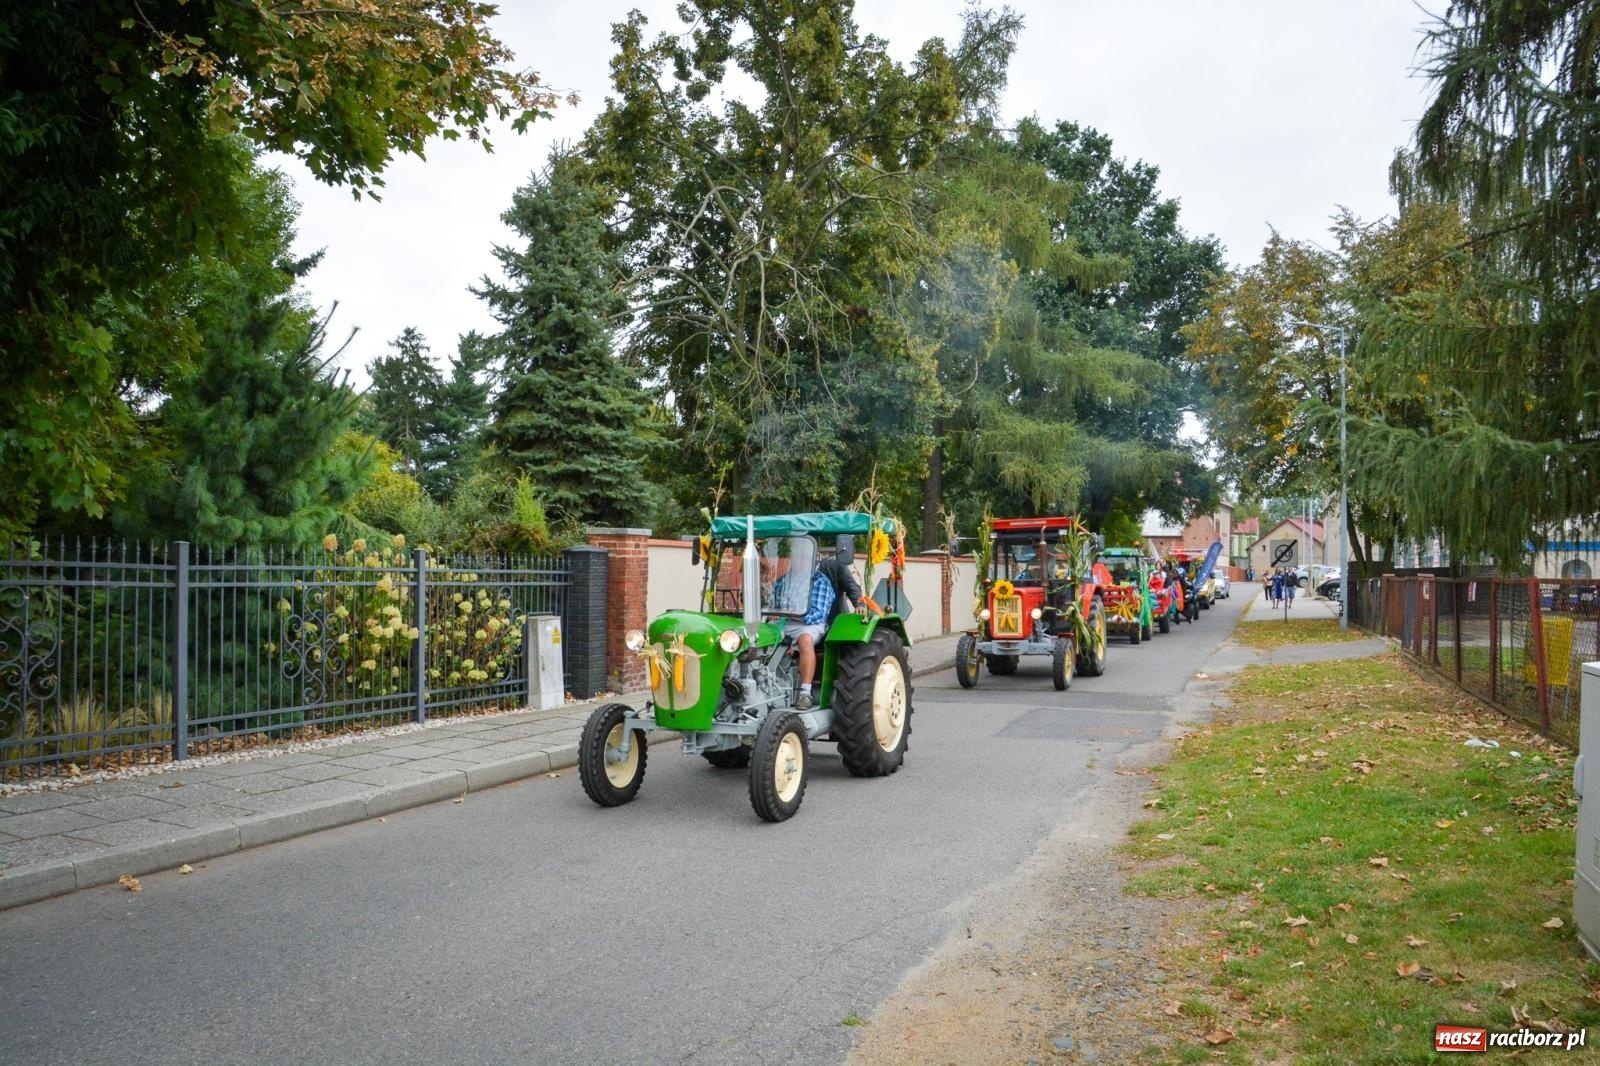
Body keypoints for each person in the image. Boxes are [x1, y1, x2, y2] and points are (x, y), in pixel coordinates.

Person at [789, 535, 863, 710]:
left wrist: (859, 603)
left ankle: (807, 692)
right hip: (796, 621)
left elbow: (852, 586)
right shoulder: (793, 575)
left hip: (829, 619)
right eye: (795, 554)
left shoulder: (833, 567)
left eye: (800, 554)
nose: (796, 559)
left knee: (808, 639)